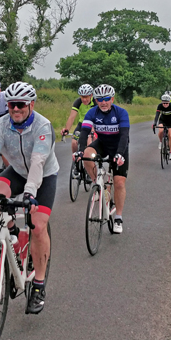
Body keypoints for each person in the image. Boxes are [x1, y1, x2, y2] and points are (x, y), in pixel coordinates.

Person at [0, 81, 58, 315]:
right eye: (11, 105)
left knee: (37, 227)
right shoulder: (2, 125)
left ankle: (38, 284)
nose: (15, 109)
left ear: (31, 105)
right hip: (16, 170)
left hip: (44, 176)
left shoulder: (42, 126)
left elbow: (37, 162)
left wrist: (30, 193)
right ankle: (14, 232)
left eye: (20, 105)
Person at [74, 84, 130, 234]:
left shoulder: (121, 113)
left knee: (118, 183)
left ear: (112, 98)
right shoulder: (92, 112)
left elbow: (124, 136)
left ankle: (118, 217)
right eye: (100, 99)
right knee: (87, 154)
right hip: (103, 144)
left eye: (106, 99)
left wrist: (119, 154)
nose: (103, 102)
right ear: (96, 100)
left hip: (119, 147)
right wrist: (79, 151)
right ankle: (97, 184)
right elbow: (84, 132)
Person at [61, 84, 96, 160]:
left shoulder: (95, 102)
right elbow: (72, 117)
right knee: (74, 142)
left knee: (89, 141)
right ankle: (76, 161)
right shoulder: (78, 102)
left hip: (93, 124)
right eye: (82, 97)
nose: (84, 99)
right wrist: (67, 129)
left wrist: (92, 131)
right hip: (82, 124)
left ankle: (89, 161)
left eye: (86, 97)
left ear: (91, 95)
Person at [153, 94, 171, 160]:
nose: (165, 104)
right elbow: (157, 115)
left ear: (169, 102)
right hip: (163, 120)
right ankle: (161, 141)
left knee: (170, 135)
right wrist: (155, 123)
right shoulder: (160, 106)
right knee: (161, 130)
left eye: (166, 103)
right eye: (163, 103)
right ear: (161, 102)